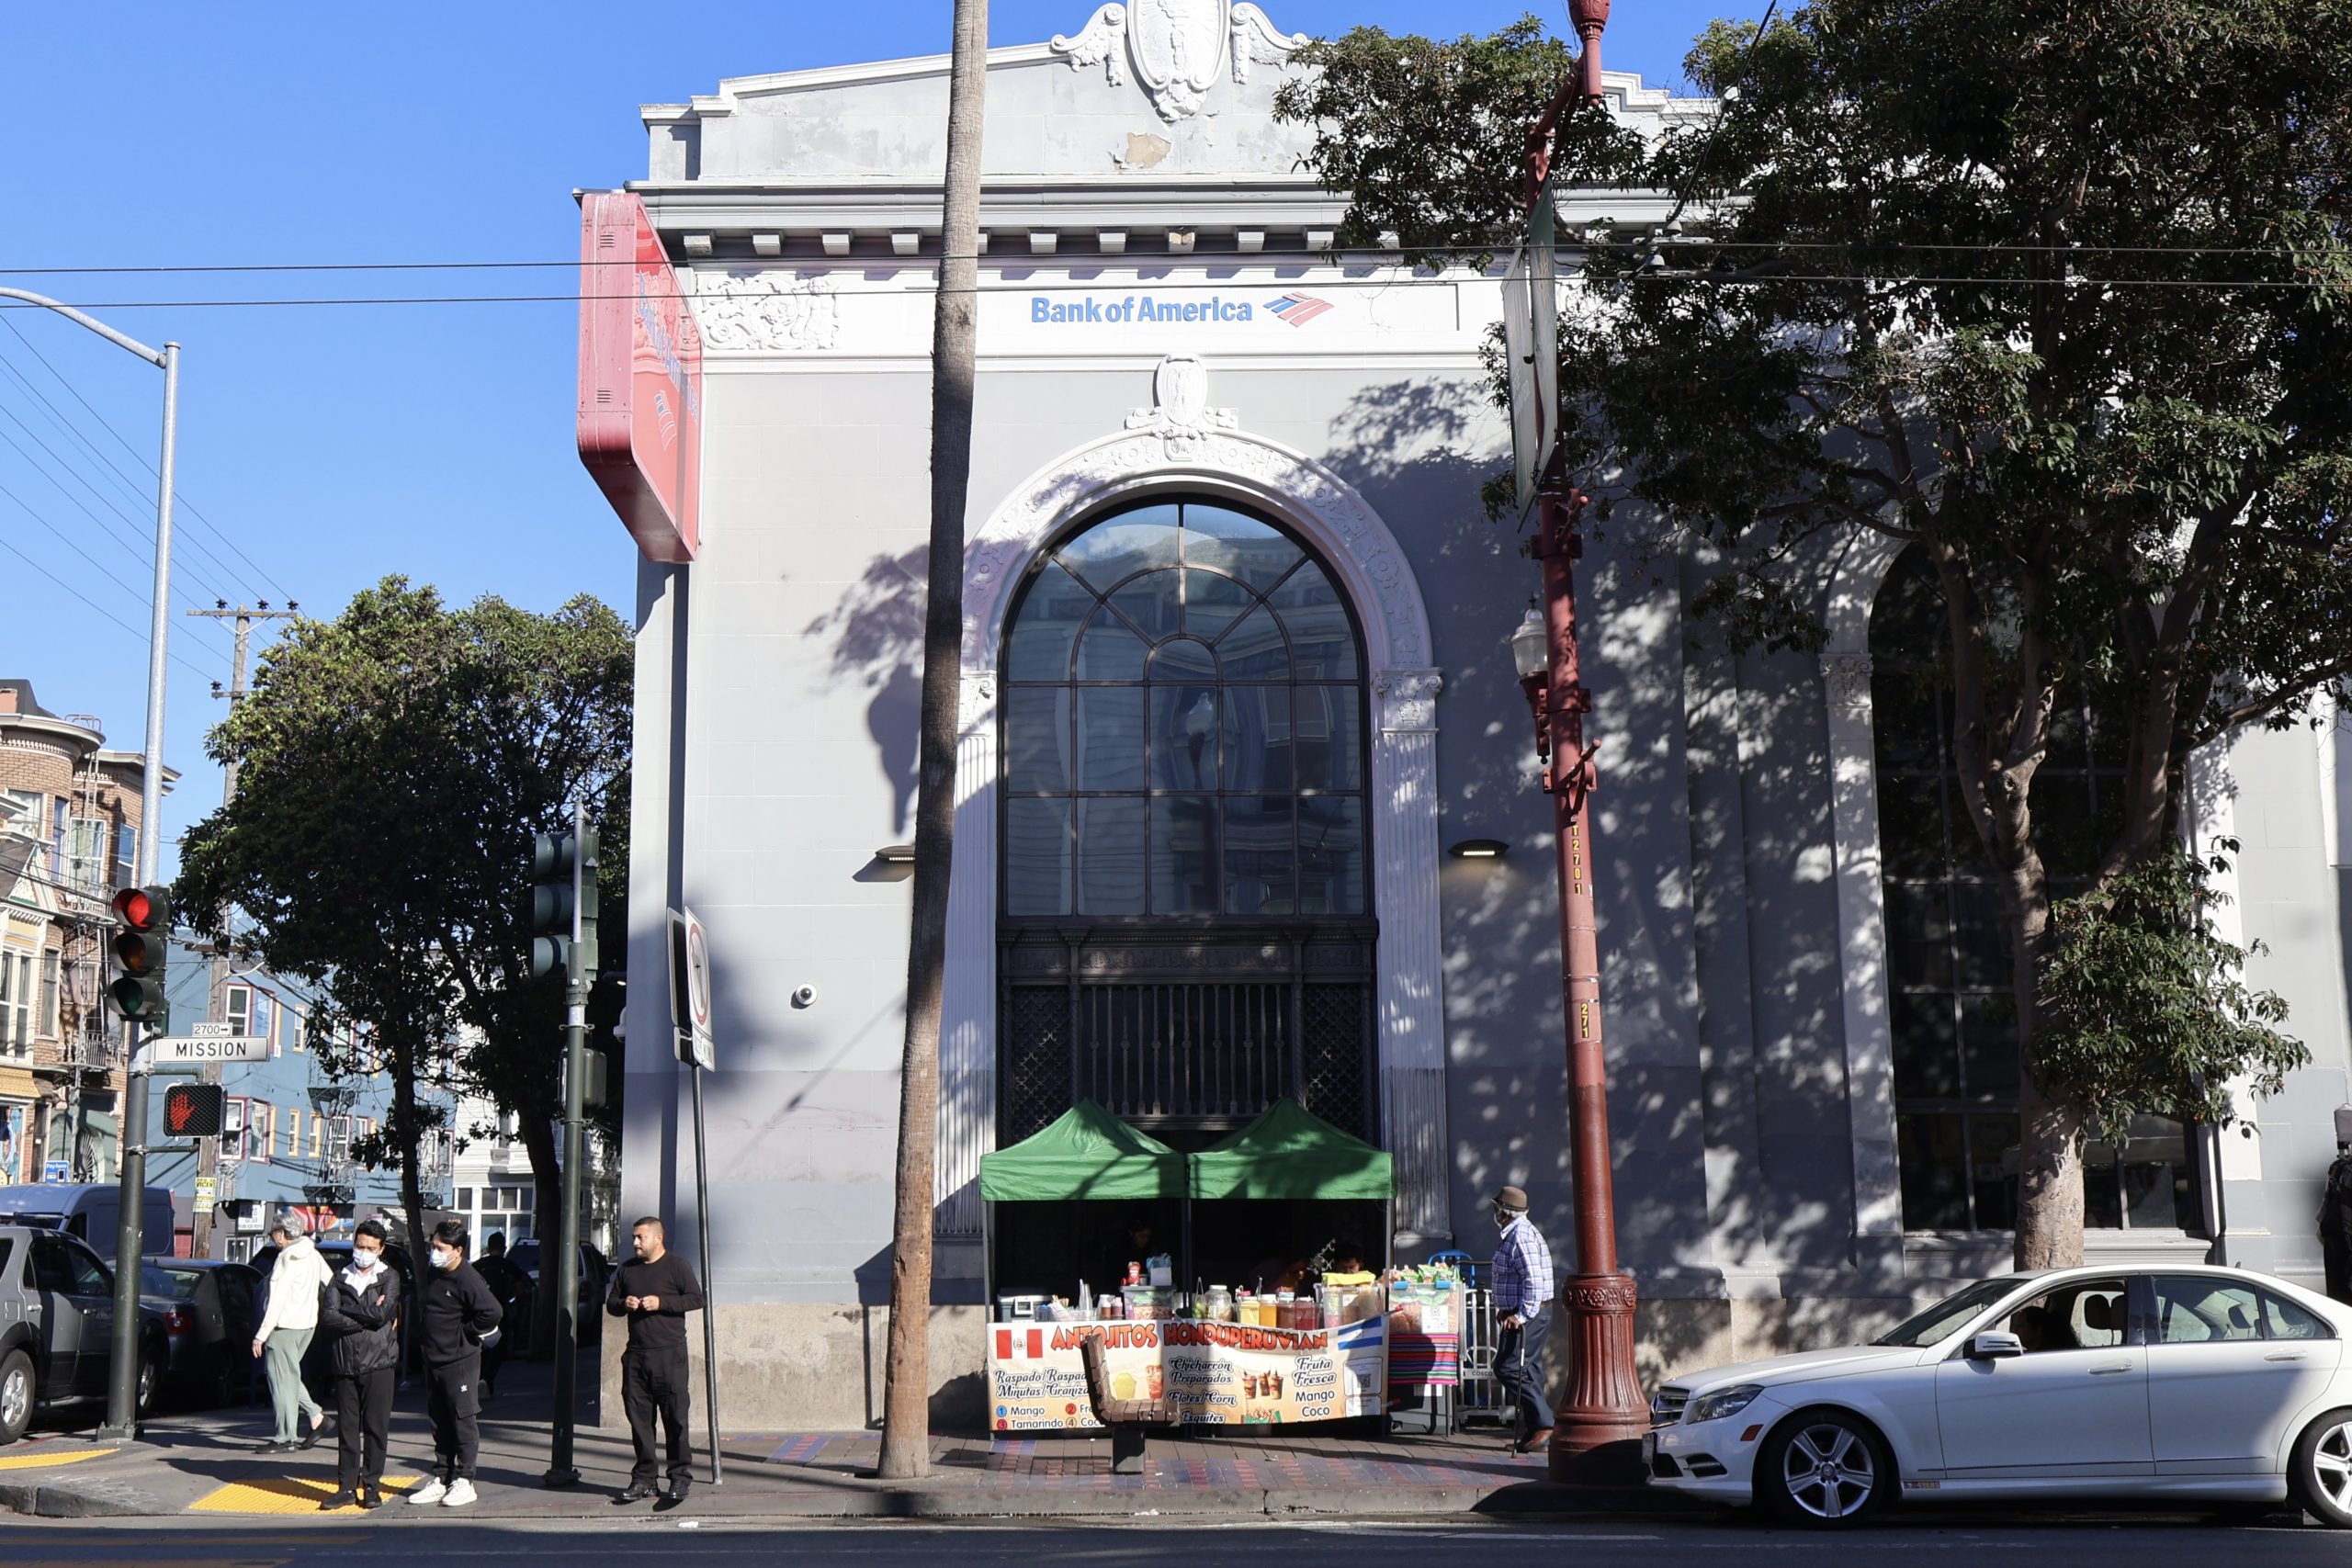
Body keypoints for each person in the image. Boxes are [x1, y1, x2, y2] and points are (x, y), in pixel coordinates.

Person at [607, 1216, 706, 1506]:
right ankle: (644, 1479)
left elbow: (696, 1299)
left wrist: (662, 1303)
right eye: (634, 1238)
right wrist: (623, 1304)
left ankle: (679, 1477)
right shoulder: (628, 1269)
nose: (635, 1243)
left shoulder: (677, 1266)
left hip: (669, 1354)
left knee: (675, 1418)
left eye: (641, 1237)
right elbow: (611, 1304)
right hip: (636, 1354)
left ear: (658, 1238)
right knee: (639, 1419)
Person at [406, 1221, 502, 1509]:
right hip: (434, 1359)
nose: (434, 1251)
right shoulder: (436, 1273)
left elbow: (492, 1311)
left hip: (459, 1361)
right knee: (440, 1422)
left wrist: (466, 1332)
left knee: (463, 1421)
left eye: (440, 1247)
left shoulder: (467, 1278)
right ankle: (442, 1477)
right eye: (433, 1245)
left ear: (458, 1250)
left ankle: (465, 1479)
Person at [317, 1220, 401, 1511]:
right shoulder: (340, 1276)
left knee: (376, 1428)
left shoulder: (389, 1277)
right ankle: (346, 1488)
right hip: (345, 1362)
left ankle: (372, 1486)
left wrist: (348, 1309)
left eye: (370, 1248)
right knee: (348, 1429)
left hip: (379, 1362)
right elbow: (328, 1316)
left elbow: (382, 1315)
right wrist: (364, 1317)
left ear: (381, 1249)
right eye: (360, 1246)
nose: (363, 1252)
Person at [251, 1214, 334, 1454]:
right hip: (307, 1325)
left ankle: (285, 1437)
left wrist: (262, 1334)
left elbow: (277, 1300)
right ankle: (317, 1417)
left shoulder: (286, 1257)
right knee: (289, 1376)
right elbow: (331, 1282)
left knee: (280, 1380)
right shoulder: (312, 1253)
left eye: (272, 1233)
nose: (272, 1238)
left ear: (281, 1233)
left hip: (284, 1326)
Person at [1488, 1184, 1555, 1456]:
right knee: (1529, 1370)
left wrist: (1521, 1315)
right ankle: (1536, 1431)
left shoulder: (1521, 1236)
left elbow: (1533, 1281)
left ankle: (1545, 1423)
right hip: (1521, 1312)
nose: (1495, 1214)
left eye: (1497, 1209)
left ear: (1505, 1212)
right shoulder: (1515, 1233)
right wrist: (1507, 1310)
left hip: (1530, 1313)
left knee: (1507, 1368)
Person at [2318, 1142, 2352, 1303]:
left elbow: (2323, 1213)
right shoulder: (2342, 1169)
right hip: (2340, 1240)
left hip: (2335, 1238)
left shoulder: (2337, 1168)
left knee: (2338, 1302)